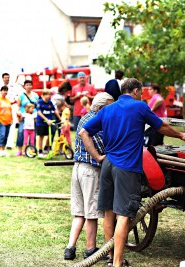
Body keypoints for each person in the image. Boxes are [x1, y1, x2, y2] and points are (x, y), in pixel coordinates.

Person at [80, 78, 185, 267]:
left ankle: (110, 258)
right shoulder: (139, 107)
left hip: (108, 164)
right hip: (126, 167)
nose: (142, 96)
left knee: (109, 212)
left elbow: (84, 132)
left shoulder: (108, 109)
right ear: (134, 91)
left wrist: (99, 157)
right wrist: (182, 135)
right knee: (124, 214)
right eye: (141, 92)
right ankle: (117, 263)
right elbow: (161, 126)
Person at [64, 92, 114, 261]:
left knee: (79, 212)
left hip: (77, 168)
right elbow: (102, 148)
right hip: (89, 171)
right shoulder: (96, 123)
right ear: (101, 108)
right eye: (109, 106)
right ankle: (90, 249)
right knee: (91, 212)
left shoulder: (84, 118)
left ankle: (70, 248)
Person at [16, 80, 39, 156]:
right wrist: (18, 113)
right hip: (24, 116)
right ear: (24, 86)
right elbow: (18, 106)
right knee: (20, 132)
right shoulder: (21, 95)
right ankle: (20, 150)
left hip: (33, 116)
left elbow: (37, 106)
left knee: (33, 134)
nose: (28, 86)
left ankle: (32, 150)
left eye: (30, 85)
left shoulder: (35, 95)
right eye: (27, 85)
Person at [36, 89, 61, 157]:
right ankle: (40, 151)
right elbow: (39, 112)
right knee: (41, 136)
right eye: (46, 95)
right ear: (43, 95)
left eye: (49, 95)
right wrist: (46, 120)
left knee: (50, 135)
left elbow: (55, 110)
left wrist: (60, 118)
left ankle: (46, 149)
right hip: (41, 122)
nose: (48, 96)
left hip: (49, 123)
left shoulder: (50, 102)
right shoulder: (40, 102)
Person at [0, 86, 13, 157]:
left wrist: (11, 119)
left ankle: (3, 150)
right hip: (1, 120)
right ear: (1, 91)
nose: (5, 92)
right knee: (2, 135)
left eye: (6, 90)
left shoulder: (7, 100)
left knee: (6, 136)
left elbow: (10, 110)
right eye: (4, 90)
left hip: (8, 121)